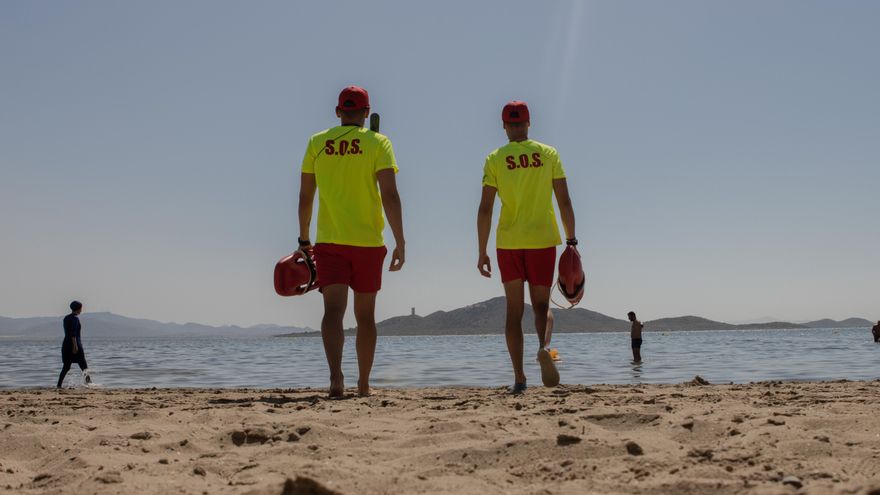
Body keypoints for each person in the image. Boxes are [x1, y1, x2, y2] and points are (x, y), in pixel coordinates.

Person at [298, 85, 405, 398]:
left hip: (329, 240)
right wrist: (400, 239)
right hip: (368, 242)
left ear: (337, 112)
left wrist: (304, 238)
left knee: (333, 311)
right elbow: (390, 195)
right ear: (367, 112)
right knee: (365, 316)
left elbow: (306, 196)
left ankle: (335, 379)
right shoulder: (379, 143)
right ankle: (363, 384)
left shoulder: (317, 142)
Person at [477, 100, 577, 393]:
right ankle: (544, 347)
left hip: (509, 241)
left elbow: (485, 209)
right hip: (542, 239)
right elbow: (565, 201)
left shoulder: (495, 158)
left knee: (513, 311)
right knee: (542, 307)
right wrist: (571, 240)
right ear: (529, 123)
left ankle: (520, 378)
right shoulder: (548, 154)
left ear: (504, 125)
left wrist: (482, 250)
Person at [57, 301, 91, 388]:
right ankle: (89, 383)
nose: (81, 310)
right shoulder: (75, 318)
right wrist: (75, 346)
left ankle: (59, 385)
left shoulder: (66, 318)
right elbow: (73, 333)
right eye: (81, 308)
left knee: (66, 366)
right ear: (79, 308)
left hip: (66, 344)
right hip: (75, 344)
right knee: (84, 366)